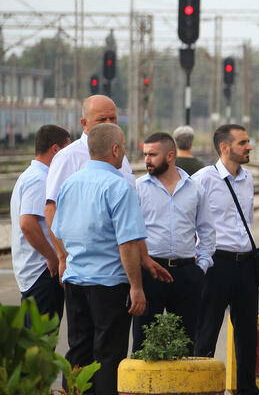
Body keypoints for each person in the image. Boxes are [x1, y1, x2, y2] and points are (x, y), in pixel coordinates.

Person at [50, 123, 147, 395]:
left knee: (78, 349)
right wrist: (136, 286)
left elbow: (57, 229)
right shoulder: (119, 187)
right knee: (108, 352)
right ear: (116, 150)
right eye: (124, 147)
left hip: (76, 281)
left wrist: (68, 258)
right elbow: (127, 244)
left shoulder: (70, 184)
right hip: (109, 283)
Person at [192, 124, 259, 395]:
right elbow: (189, 219)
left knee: (247, 333)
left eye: (248, 141)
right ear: (225, 147)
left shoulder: (248, 178)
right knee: (207, 330)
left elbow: (247, 220)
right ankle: (201, 394)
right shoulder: (203, 179)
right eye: (243, 143)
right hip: (217, 264)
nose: (249, 147)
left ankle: (248, 394)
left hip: (246, 263)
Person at [45, 95, 169, 286]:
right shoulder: (68, 157)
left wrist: (143, 256)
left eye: (113, 118)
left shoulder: (121, 158)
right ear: (84, 123)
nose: (109, 123)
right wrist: (62, 257)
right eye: (102, 119)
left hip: (120, 269)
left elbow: (130, 216)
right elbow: (51, 209)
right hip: (87, 271)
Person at [132, 132, 216, 351]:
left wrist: (201, 267)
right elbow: (130, 231)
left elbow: (207, 230)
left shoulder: (195, 189)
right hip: (150, 271)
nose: (147, 160)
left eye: (152, 154)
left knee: (186, 343)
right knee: (144, 343)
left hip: (186, 273)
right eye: (145, 154)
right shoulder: (138, 187)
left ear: (170, 156)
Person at [10, 125, 70, 320]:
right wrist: (53, 257)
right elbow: (27, 223)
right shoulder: (40, 179)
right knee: (42, 335)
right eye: (66, 150)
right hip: (43, 271)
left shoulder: (30, 175)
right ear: (55, 149)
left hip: (36, 270)